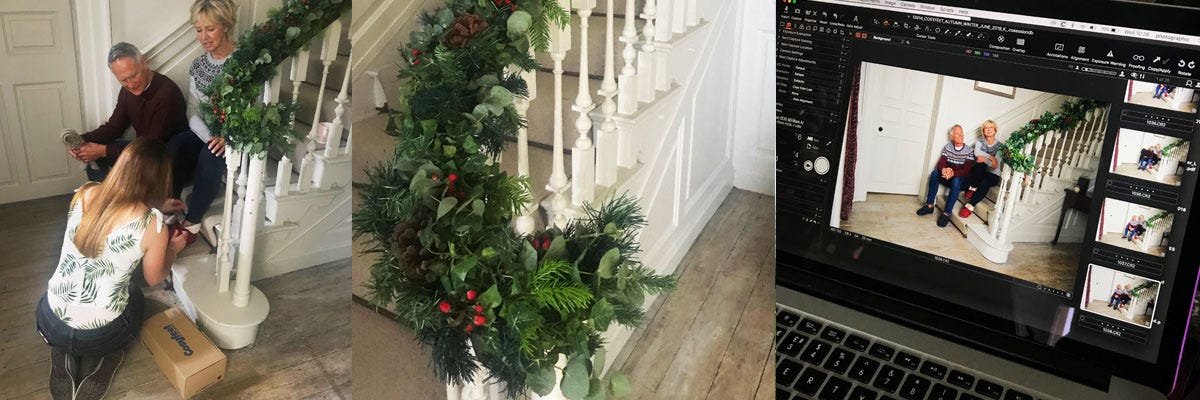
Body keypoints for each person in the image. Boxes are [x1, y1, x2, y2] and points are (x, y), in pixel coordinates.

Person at [37, 139, 189, 400]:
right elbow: (154, 278)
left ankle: (61, 349)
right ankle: (109, 357)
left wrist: (156, 206)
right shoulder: (154, 226)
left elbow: (116, 210)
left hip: (49, 320)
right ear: (161, 180)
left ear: (121, 166)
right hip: (100, 336)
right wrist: (173, 248)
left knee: (72, 285)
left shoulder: (85, 192)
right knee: (136, 294)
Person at [69, 43, 189, 184]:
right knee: (93, 149)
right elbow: (114, 128)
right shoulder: (128, 92)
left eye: (133, 76)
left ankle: (124, 201)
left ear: (143, 63)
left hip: (166, 155)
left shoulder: (167, 93)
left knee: (102, 151)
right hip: (144, 147)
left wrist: (103, 150)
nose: (131, 85)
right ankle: (102, 197)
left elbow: (150, 147)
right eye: (123, 80)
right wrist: (81, 140)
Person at [171, 0, 238, 242]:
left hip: (235, 134)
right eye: (199, 30)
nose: (204, 37)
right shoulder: (198, 65)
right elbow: (193, 111)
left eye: (210, 28)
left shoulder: (245, 61)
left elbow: (256, 109)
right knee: (176, 144)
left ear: (226, 25)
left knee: (212, 153)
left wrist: (227, 137)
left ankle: (193, 220)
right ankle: (172, 205)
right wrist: (209, 136)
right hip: (208, 132)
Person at [916, 125, 976, 227]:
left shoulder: (969, 150)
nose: (961, 135)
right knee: (935, 173)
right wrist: (944, 170)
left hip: (962, 181)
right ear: (952, 136)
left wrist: (952, 173)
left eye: (961, 133)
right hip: (950, 177)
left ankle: (947, 213)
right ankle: (929, 205)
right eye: (957, 133)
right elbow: (941, 163)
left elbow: (966, 171)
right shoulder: (948, 147)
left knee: (956, 180)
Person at [960, 120, 1003, 218]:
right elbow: (976, 153)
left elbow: (995, 166)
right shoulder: (980, 142)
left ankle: (970, 205)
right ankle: (973, 187)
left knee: (985, 180)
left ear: (995, 130)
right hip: (982, 171)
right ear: (983, 131)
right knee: (978, 165)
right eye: (986, 128)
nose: (988, 130)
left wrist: (984, 159)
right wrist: (991, 157)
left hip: (994, 174)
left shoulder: (1000, 146)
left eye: (991, 127)